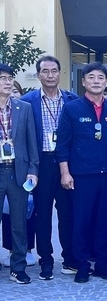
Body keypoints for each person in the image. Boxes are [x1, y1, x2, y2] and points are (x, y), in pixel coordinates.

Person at [56, 62, 107, 283]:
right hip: (81, 175)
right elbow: (62, 144)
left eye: (100, 78)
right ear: (83, 82)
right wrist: (65, 172)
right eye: (91, 77)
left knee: (104, 220)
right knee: (80, 221)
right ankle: (81, 264)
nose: (96, 81)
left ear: (106, 82)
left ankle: (101, 263)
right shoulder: (72, 108)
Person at [21, 55, 78, 280]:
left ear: (60, 73)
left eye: (54, 71)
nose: (50, 75)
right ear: (38, 75)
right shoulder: (27, 101)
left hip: (67, 164)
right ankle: (46, 260)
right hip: (41, 163)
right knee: (42, 214)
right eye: (45, 71)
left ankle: (70, 258)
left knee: (68, 213)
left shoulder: (72, 100)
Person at [0, 64, 38, 283]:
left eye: (10, 78)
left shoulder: (22, 108)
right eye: (2, 78)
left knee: (18, 223)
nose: (7, 82)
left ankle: (18, 267)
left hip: (18, 172)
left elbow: (32, 141)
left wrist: (33, 170)